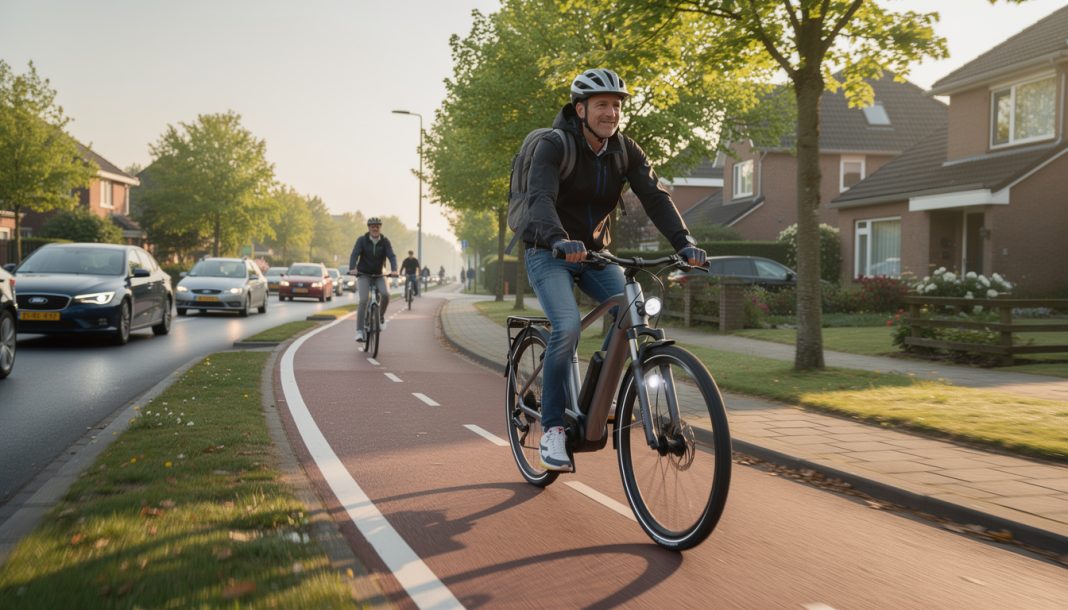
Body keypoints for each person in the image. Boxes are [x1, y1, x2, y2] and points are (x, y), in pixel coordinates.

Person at [522, 68, 707, 472]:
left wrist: (685, 243)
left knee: (633, 311)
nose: (611, 112)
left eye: (617, 105)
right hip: (547, 250)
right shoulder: (555, 146)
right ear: (580, 109)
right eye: (602, 104)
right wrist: (557, 238)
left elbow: (655, 198)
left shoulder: (626, 150)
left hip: (594, 255)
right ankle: (553, 428)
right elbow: (540, 198)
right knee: (567, 326)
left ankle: (601, 396)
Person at [348, 217, 398, 342]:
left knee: (386, 294)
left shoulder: (385, 241)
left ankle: (380, 317)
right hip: (364, 274)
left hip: (379, 274)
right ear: (368, 228)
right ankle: (359, 331)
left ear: (380, 228)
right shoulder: (362, 240)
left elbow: (391, 255)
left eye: (377, 226)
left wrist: (394, 270)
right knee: (364, 300)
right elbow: (355, 254)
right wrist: (352, 268)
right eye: (372, 226)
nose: (375, 228)